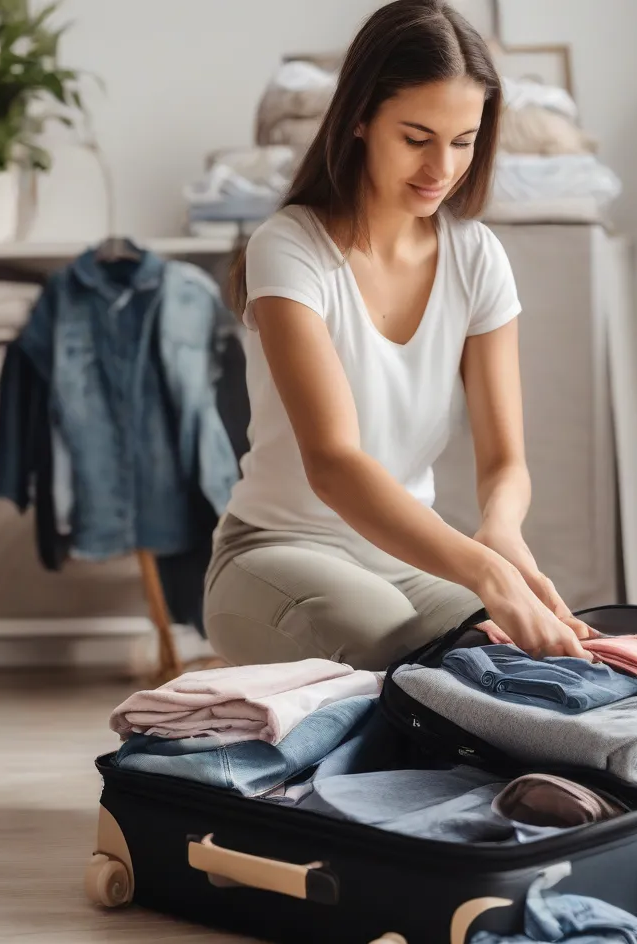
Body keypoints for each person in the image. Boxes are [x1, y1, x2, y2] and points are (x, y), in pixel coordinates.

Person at [204, 0, 592, 672]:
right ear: (360, 118)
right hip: (273, 552)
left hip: (406, 560)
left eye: (463, 141)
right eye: (417, 138)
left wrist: (499, 535)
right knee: (401, 654)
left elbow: (505, 463)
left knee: (522, 663)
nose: (442, 166)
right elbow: (333, 465)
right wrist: (484, 573)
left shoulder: (476, 257)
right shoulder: (290, 248)